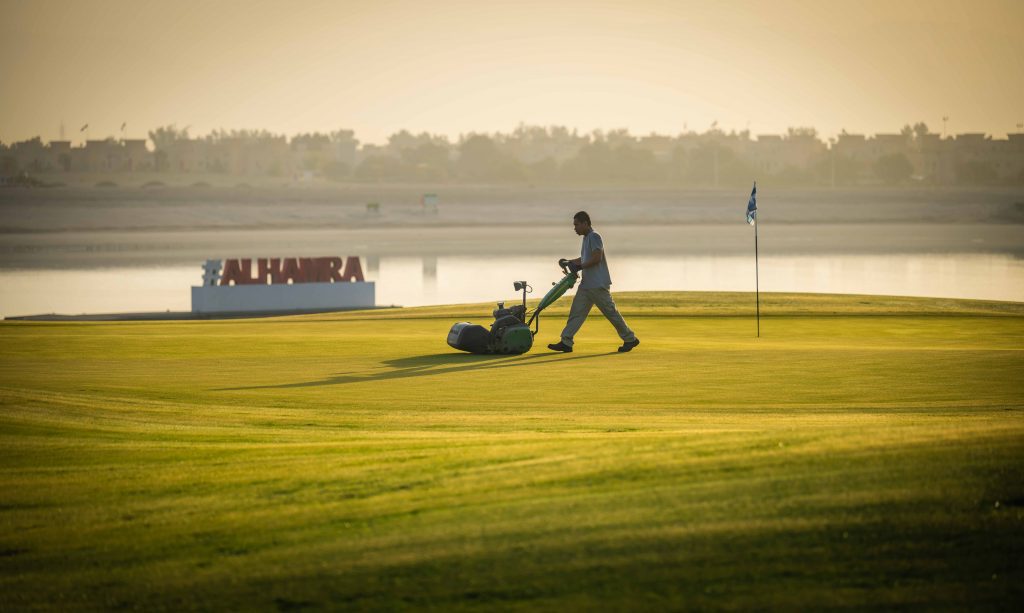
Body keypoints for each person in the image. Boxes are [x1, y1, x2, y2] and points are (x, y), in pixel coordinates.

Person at [548, 211, 639, 353]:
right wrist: (569, 261)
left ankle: (630, 339)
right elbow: (585, 258)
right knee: (576, 313)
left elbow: (596, 257)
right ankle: (566, 342)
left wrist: (579, 266)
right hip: (586, 285)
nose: (575, 228)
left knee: (611, 313)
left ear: (585, 223)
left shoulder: (595, 236)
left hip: (597, 284)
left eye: (577, 225)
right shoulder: (586, 238)